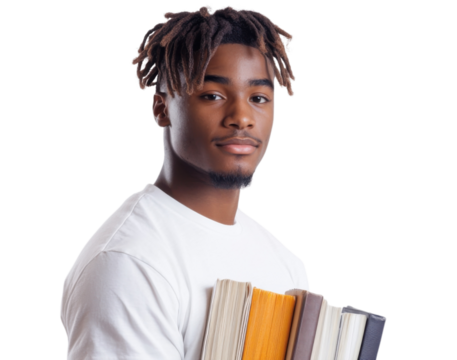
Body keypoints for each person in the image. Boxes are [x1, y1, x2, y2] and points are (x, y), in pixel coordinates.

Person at [60, 5, 309, 359]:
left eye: (258, 98)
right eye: (212, 96)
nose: (241, 117)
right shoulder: (129, 262)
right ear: (161, 108)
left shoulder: (285, 263)